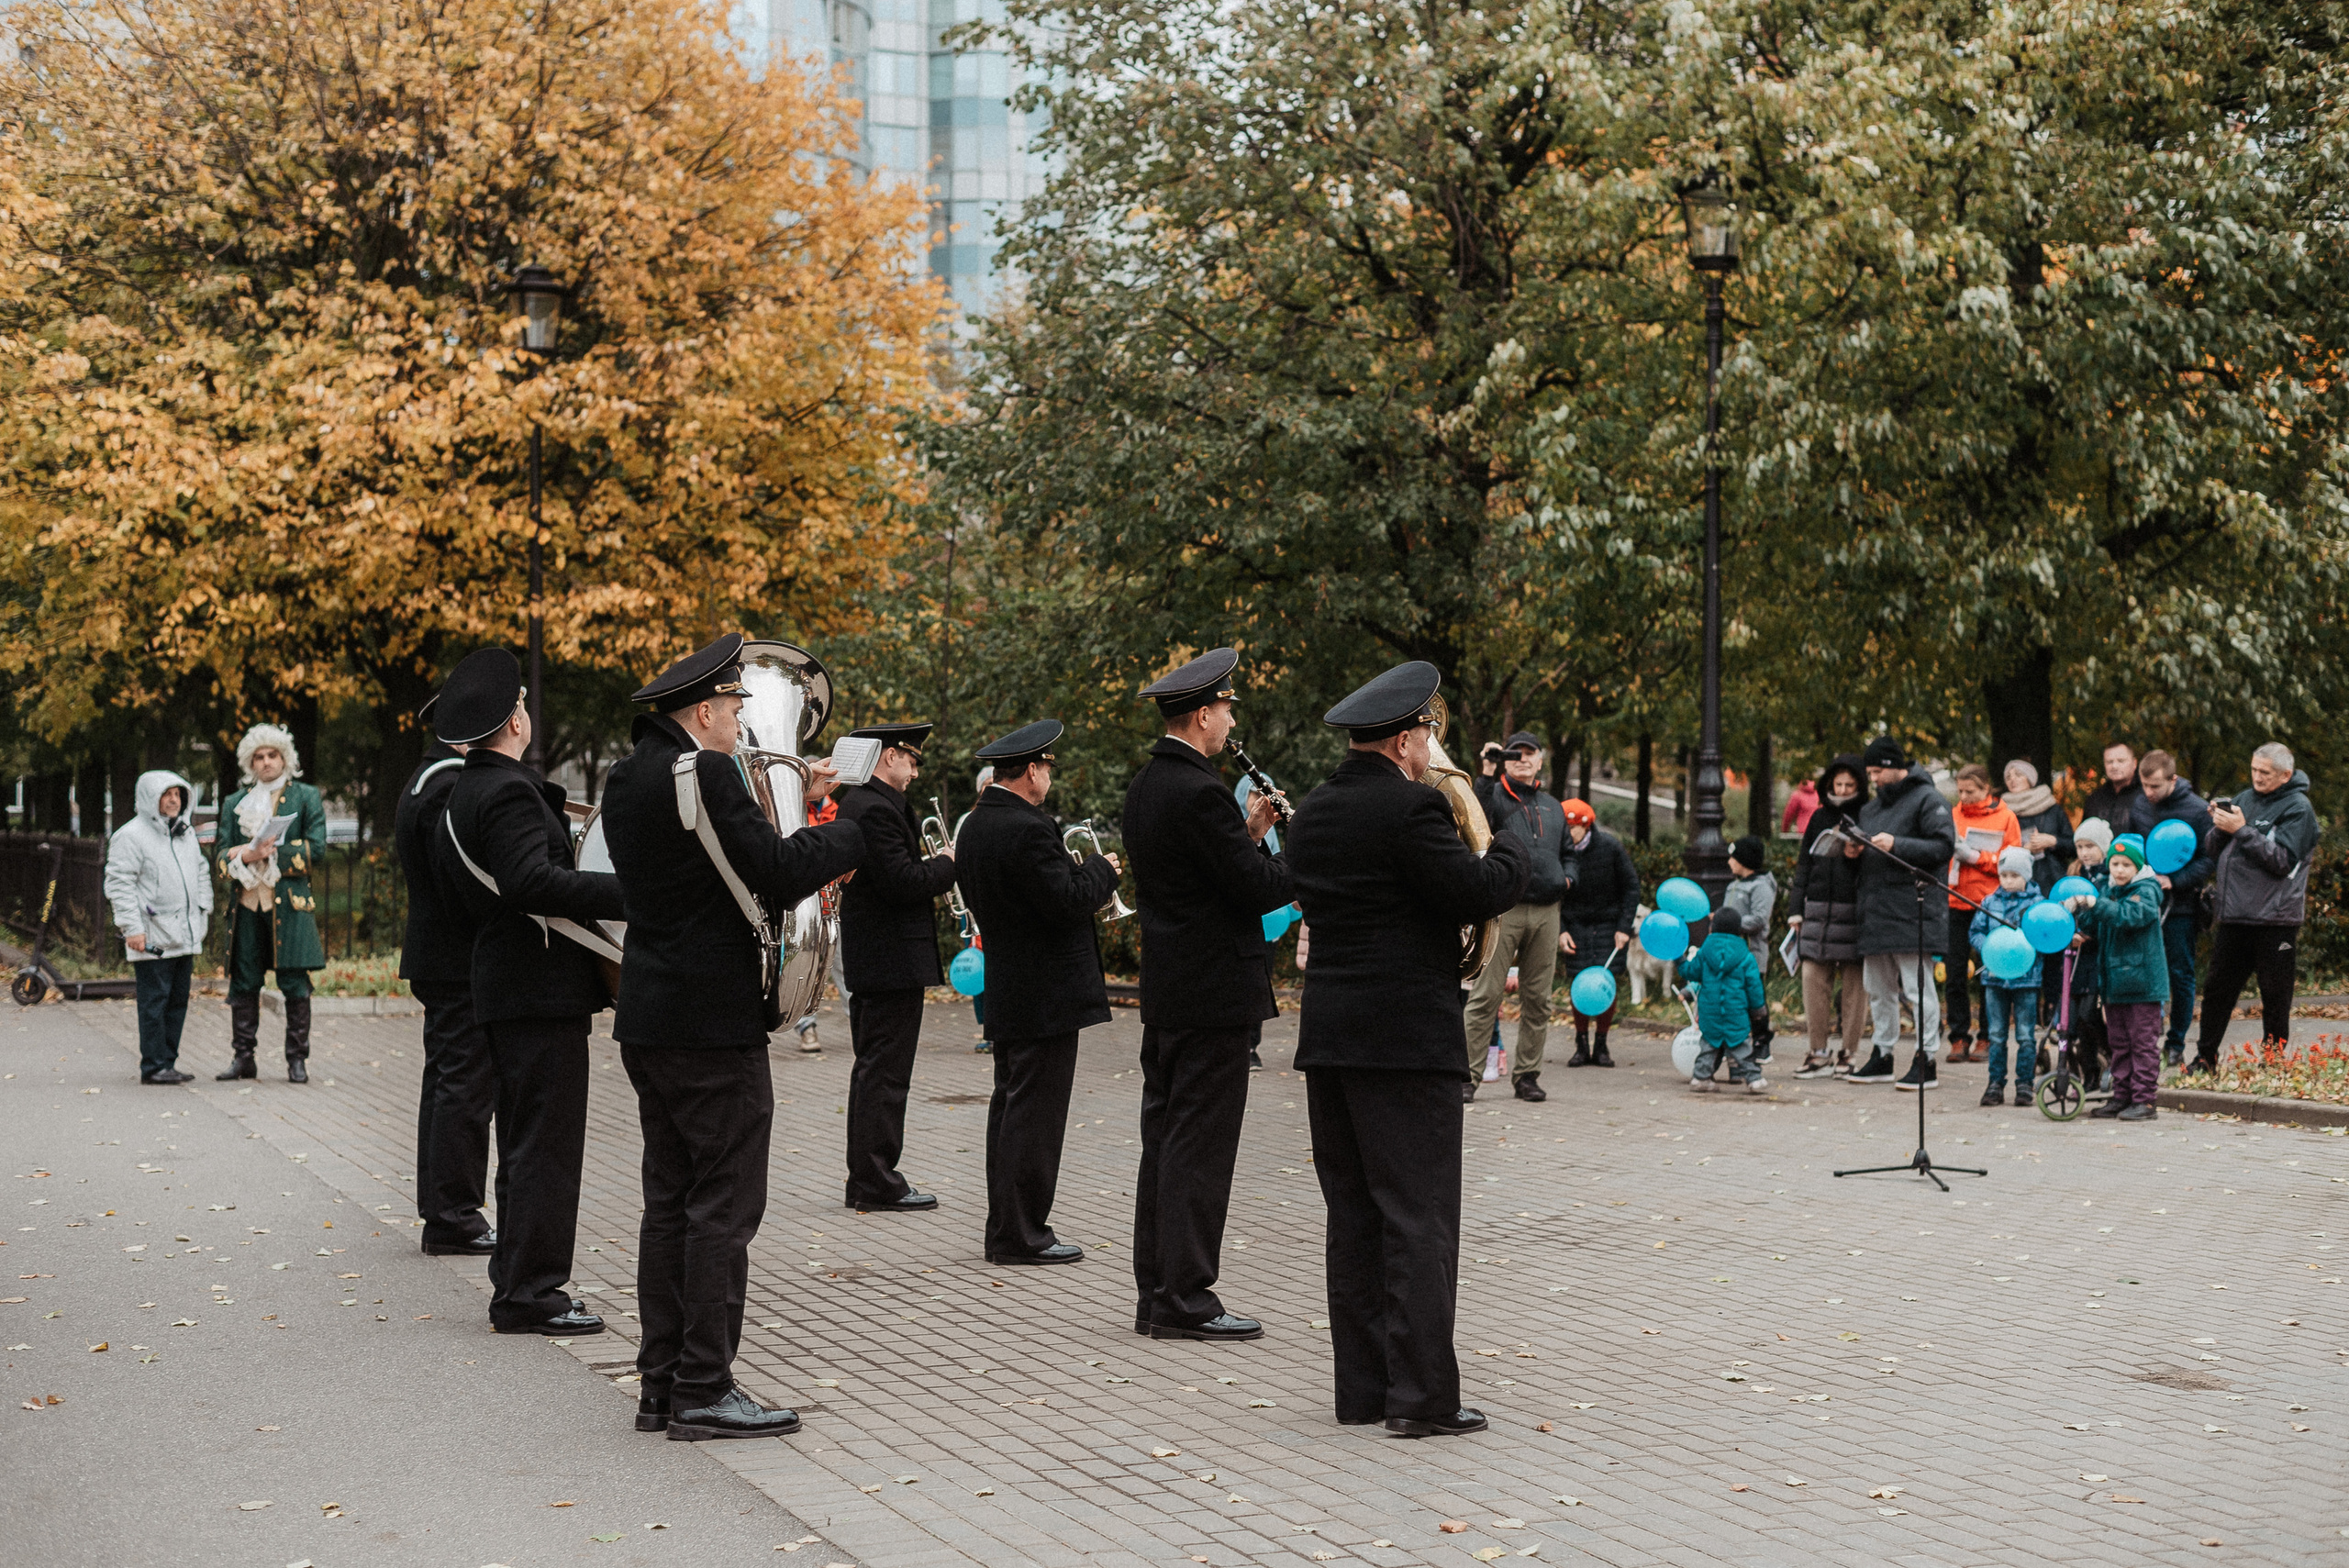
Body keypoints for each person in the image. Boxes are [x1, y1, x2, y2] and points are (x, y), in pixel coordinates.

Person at [599, 634, 863, 1441]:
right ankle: (706, 1387)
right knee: (722, 1207)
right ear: (706, 709)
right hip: (713, 1024)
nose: (744, 722)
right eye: (738, 707)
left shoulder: (627, 775)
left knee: (670, 1204)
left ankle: (662, 1382)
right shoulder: (707, 771)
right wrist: (847, 823)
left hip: (650, 1015)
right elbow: (778, 874)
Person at [1286, 661, 1529, 1438]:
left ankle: (1363, 1390)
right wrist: (1509, 843)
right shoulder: (1413, 811)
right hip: (1405, 1041)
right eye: (1426, 731)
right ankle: (1422, 1398)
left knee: (1352, 1215)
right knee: (1419, 1219)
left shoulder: (1312, 813)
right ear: (1402, 739)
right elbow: (1474, 890)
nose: (1432, 745)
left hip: (1331, 1037)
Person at [439, 649, 627, 1344]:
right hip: (536, 989)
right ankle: (533, 1293)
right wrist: (630, 898)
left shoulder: (469, 788)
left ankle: (519, 1283)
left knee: (524, 1145)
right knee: (544, 1148)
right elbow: (530, 883)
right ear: (514, 718)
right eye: (523, 703)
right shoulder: (507, 790)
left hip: (509, 984)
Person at [1121, 648, 1291, 1341]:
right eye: (1225, 709)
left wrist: (1246, 833)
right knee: (1199, 1146)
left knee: (1163, 1139)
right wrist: (1284, 844)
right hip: (1214, 993)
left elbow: (1199, 876)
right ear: (1200, 715)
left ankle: (1155, 1290)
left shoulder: (1149, 784)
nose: (1229, 721)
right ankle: (1186, 1296)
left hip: (1170, 985)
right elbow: (1257, 889)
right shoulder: (1199, 791)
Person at [955, 719, 1120, 1267]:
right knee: (1035, 1120)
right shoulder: (1028, 827)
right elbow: (1066, 899)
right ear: (1031, 770)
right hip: (1045, 995)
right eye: (1047, 767)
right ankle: (1023, 1234)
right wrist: (1101, 869)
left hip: (1011, 987)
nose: (1049, 776)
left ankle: (1006, 1226)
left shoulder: (977, 824)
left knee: (1010, 1111)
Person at [833, 722, 957, 1215]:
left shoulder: (871, 805)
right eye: (911, 760)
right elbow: (902, 881)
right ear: (887, 757)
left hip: (884, 961)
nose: (914, 772)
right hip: (888, 962)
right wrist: (948, 863)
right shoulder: (872, 809)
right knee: (884, 1076)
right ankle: (876, 1180)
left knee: (876, 1072)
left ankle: (868, 1177)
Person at [395, 692, 494, 1257]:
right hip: (456, 958)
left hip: (442, 957)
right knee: (463, 1089)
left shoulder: (429, 775)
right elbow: (457, 872)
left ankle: (445, 1209)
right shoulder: (445, 781)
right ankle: (453, 1215)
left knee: (448, 1085)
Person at [2191, 743, 2319, 1073]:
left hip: (2275, 919)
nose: (2257, 778)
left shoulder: (2299, 809)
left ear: (2286, 775)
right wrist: (2219, 826)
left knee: (2275, 996)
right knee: (2217, 990)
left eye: (2266, 773)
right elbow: (2214, 851)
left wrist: (2242, 830)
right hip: (2234, 915)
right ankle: (2205, 1058)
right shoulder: (2244, 798)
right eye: (2254, 770)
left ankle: (2273, 1064)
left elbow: (2282, 861)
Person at [215, 725, 327, 1083]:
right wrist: (247, 855)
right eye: (259, 757)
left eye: (272, 755)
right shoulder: (235, 803)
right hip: (247, 904)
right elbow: (219, 857)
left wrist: (274, 850)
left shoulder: (306, 797)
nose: (266, 762)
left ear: (284, 758)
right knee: (244, 983)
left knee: (295, 984)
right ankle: (243, 1058)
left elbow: (317, 849)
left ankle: (297, 1059)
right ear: (251, 762)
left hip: (290, 906)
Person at [1460, 732, 1567, 1102]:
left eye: (1530, 754)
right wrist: (1487, 772)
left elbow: (1568, 851)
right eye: (1515, 754)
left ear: (1540, 760)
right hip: (1505, 907)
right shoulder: (1494, 795)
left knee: (1538, 999)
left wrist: (1569, 877)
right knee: (1486, 995)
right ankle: (1467, 1077)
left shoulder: (1554, 805)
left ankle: (1527, 1076)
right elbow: (1473, 817)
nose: (1523, 759)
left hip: (1547, 911)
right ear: (1506, 759)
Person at [1848, 737, 1956, 1089]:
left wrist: (1897, 844)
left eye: (1878, 771)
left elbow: (1943, 846)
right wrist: (1854, 850)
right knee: (1878, 989)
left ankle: (1926, 1059)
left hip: (1913, 910)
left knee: (1918, 989)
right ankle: (1882, 1054)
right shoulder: (1871, 808)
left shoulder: (1928, 799)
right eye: (1870, 772)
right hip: (1875, 911)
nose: (1874, 778)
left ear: (1896, 767)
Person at [104, 770, 213, 1084]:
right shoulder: (131, 836)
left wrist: (204, 905)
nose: (173, 800)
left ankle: (168, 1062)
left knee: (177, 1001)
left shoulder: (184, 832)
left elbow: (201, 870)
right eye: (166, 795)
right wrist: (130, 927)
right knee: (154, 1003)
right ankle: (153, 1066)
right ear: (150, 798)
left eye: (177, 794)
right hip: (151, 934)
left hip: (186, 932)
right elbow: (119, 884)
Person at [2125, 751, 2214, 1066]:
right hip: (2143, 900)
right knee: (2144, 968)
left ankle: (2176, 1041)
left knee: (2180, 972)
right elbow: (2132, 845)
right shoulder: (2140, 804)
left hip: (2182, 903)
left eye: (2155, 787)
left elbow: (2209, 859)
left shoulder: (2197, 809)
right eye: (2144, 785)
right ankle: (2146, 1035)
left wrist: (2173, 880)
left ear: (2173, 780)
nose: (2149, 793)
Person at [2069, 834, 2166, 1121]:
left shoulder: (2146, 892)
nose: (2120, 870)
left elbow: (2129, 916)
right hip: (2115, 985)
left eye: (2126, 864)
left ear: (2137, 867)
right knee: (2119, 1045)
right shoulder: (2108, 892)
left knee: (2142, 1045)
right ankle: (2122, 1097)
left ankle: (2145, 1101)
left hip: (2143, 986)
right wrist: (2081, 914)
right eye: (2115, 863)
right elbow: (2098, 925)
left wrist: (2095, 903)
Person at [1788, 756, 1866, 1078]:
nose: (1844, 790)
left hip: (1855, 909)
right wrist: (1796, 908)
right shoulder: (1819, 816)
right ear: (1829, 785)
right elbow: (1803, 865)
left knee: (1855, 986)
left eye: (1850, 785)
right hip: (1818, 910)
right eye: (1839, 784)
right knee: (1812, 978)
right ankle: (1817, 1051)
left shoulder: (1868, 815)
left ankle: (1848, 1053)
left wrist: (1858, 854)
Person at [1555, 796, 1640, 1068]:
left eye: (1571, 828)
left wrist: (1623, 928)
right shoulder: (1558, 851)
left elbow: (1631, 887)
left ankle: (1601, 1045)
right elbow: (1552, 893)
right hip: (1575, 925)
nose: (1567, 834)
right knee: (1580, 984)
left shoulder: (1610, 848)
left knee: (1606, 984)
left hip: (1608, 925)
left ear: (1586, 825)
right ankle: (1581, 1045)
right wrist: (1561, 930)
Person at [1944, 763, 2019, 1064]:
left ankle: (1988, 1036)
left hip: (1989, 905)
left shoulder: (2006, 817)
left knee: (1989, 972)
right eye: (1960, 791)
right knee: (1955, 975)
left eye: (1970, 791)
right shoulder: (1953, 814)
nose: (1964, 797)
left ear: (1986, 789)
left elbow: (2013, 860)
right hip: (1954, 902)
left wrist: (1979, 858)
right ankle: (1959, 1036)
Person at [1968, 848, 2045, 1106]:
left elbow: (2043, 937)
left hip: (2027, 979)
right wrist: (1990, 946)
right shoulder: (1990, 902)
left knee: (2025, 1034)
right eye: (2004, 875)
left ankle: (2025, 1084)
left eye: (2014, 875)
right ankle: (1995, 1083)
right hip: (1994, 978)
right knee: (1997, 1034)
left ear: (2026, 875)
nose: (2008, 880)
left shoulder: (2037, 904)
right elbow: (1976, 932)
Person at [1682, 925, 1767, 1094]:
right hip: (1736, 1012)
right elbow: (1754, 986)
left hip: (1710, 1012)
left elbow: (1690, 972)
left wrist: (1679, 958)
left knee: (1708, 1046)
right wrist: (1758, 1008)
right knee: (1742, 1047)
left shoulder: (1704, 954)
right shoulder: (1745, 956)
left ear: (1713, 930)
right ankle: (1754, 1079)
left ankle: (1700, 1078)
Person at [2065, 818, 2115, 1094]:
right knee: (2077, 1021)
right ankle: (2090, 1075)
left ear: (2104, 848)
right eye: (2080, 847)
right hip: (2077, 957)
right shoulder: (2076, 877)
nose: (2084, 853)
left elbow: (2105, 911)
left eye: (2090, 846)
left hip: (2098, 954)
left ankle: (2111, 1054)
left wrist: (2088, 932)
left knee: (2090, 1012)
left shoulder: (2109, 876)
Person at [1722, 835, 1777, 1061]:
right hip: (1732, 954)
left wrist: (1727, 922)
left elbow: (1759, 919)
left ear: (1744, 860)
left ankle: (1762, 1041)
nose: (1728, 862)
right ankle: (1738, 1042)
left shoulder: (1761, 886)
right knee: (1735, 999)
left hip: (1752, 954)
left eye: (1733, 857)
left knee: (1755, 1000)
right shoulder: (1733, 885)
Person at [2079, 741, 2143, 828]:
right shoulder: (2095, 799)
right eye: (2109, 762)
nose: (2114, 766)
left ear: (2134, 763)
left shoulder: (2146, 795)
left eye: (2121, 761)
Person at [1781, 774, 1820, 838]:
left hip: (1803, 833)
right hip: (1819, 833)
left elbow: (1788, 815)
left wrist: (1784, 831)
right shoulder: (1819, 794)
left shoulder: (1797, 795)